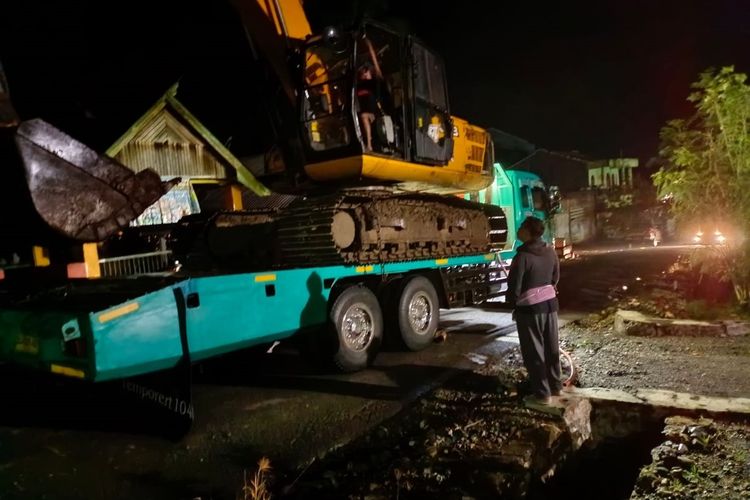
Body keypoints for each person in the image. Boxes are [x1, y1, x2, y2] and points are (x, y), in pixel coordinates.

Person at [506, 216, 562, 410]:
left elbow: (514, 287)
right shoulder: (550, 252)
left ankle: (542, 394)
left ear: (528, 231)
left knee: (534, 351)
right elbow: (555, 277)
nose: (518, 229)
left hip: (530, 311)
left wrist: (514, 305)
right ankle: (556, 386)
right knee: (551, 347)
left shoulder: (522, 257)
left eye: (521, 226)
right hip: (550, 306)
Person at [356, 37, 384, 152]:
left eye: (366, 72)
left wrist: (370, 48)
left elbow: (375, 64)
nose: (365, 75)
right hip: (363, 111)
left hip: (374, 112)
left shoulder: (375, 82)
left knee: (363, 116)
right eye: (363, 73)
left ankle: (369, 145)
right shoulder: (358, 86)